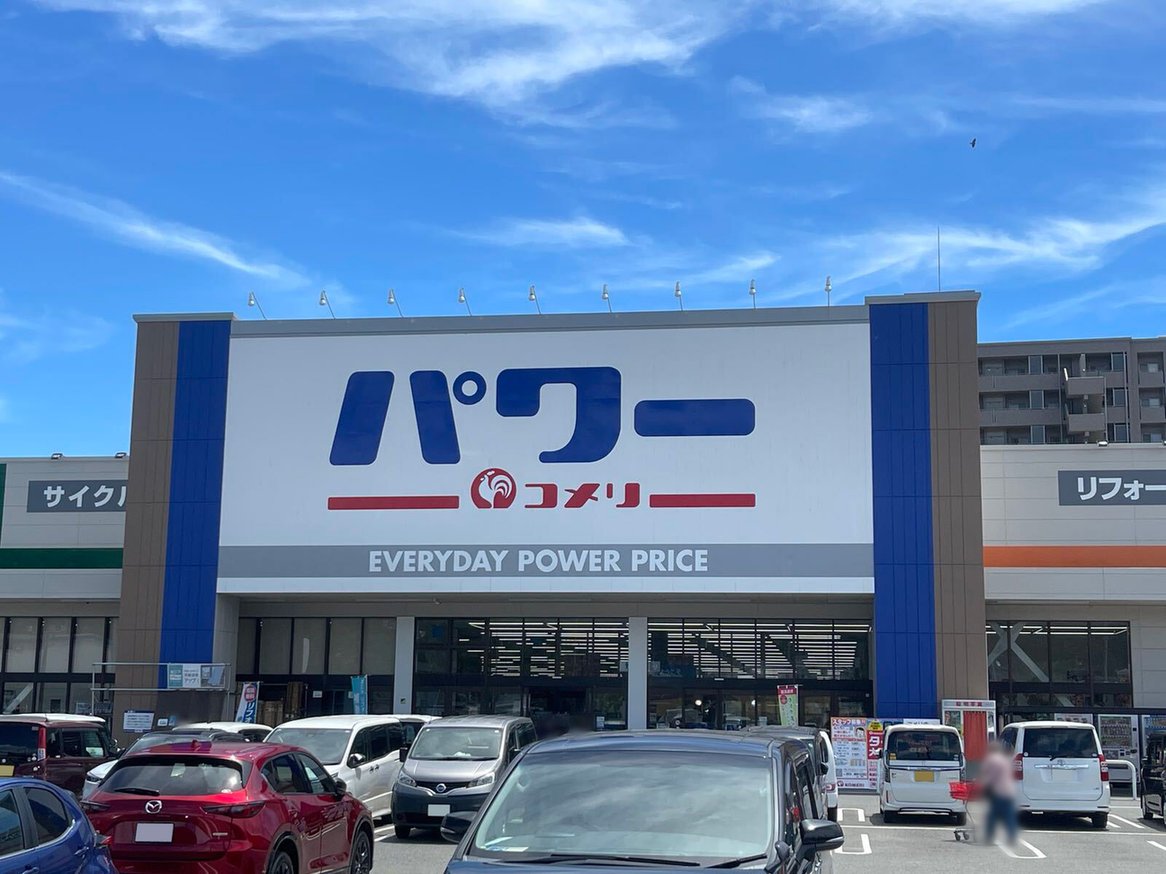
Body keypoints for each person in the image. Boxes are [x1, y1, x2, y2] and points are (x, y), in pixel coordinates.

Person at [978, 740, 1018, 845]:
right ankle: (1012, 837)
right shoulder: (1005, 760)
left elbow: (990, 776)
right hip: (1008, 791)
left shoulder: (991, 760)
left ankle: (989, 837)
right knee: (1009, 815)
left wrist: (981, 784)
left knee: (992, 816)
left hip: (997, 791)